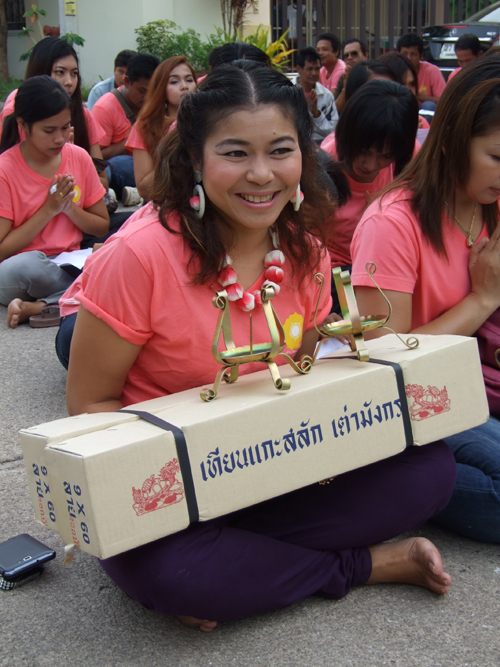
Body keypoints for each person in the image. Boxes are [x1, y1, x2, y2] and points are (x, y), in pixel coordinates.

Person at [65, 60, 455, 631]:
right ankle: (361, 565)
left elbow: (307, 372)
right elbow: (90, 407)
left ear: (304, 154)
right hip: (173, 489)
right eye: (234, 153)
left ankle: (241, 569)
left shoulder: (305, 251)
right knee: (170, 572)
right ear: (194, 158)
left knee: (430, 470)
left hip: (278, 468)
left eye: (280, 150)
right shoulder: (138, 256)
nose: (261, 174)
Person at [350, 56, 500, 544]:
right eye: (497, 156)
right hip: (421, 398)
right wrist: (481, 299)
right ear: (453, 137)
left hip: (482, 384)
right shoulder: (392, 224)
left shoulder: (491, 202)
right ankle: (396, 483)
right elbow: (385, 360)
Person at [0, 76, 108, 329]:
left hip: (69, 263)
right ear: (22, 125)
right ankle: (82, 295)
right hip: (21, 271)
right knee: (29, 265)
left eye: (65, 128)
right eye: (49, 131)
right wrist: (49, 210)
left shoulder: (79, 157)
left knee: (112, 251)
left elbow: (101, 225)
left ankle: (43, 307)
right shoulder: (5, 169)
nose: (60, 138)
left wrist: (70, 209)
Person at [321, 80, 418, 305]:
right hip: (338, 272)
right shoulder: (323, 167)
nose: (371, 165)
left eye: (385, 157)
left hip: (389, 261)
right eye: (364, 151)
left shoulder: (408, 155)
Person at [0, 37, 107, 189]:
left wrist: (75, 163)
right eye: (60, 72)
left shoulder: (83, 116)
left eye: (74, 73)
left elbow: (103, 182)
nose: (69, 81)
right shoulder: (19, 113)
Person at [126, 56, 196, 202]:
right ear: (161, 89)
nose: (184, 86)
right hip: (166, 204)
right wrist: (174, 150)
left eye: (189, 80)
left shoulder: (209, 120)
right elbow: (144, 189)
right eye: (174, 82)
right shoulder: (144, 126)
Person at [91, 53, 160, 202]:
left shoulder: (158, 103)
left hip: (152, 165)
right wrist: (128, 142)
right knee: (119, 164)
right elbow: (96, 157)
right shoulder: (104, 108)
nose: (147, 98)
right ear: (127, 82)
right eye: (142, 91)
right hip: (127, 166)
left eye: (153, 92)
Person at [295, 47, 338, 142]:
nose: (314, 73)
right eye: (309, 69)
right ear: (298, 69)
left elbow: (332, 132)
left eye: (317, 69)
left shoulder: (326, 96)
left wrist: (316, 113)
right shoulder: (286, 91)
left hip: (320, 144)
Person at [377, 52, 430, 129]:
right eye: (401, 84)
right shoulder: (368, 125)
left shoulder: (421, 123)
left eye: (412, 84)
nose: (408, 91)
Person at [396, 33, 445, 111]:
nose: (409, 58)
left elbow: (444, 101)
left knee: (428, 105)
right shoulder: (394, 69)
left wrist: (421, 97)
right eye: (404, 54)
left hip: (423, 113)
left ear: (421, 56)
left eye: (413, 54)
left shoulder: (432, 71)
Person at [333, 38, 369, 114]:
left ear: (365, 55)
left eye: (354, 54)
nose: (349, 57)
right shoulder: (343, 78)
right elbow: (335, 110)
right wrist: (346, 88)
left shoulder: (372, 75)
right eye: (346, 55)